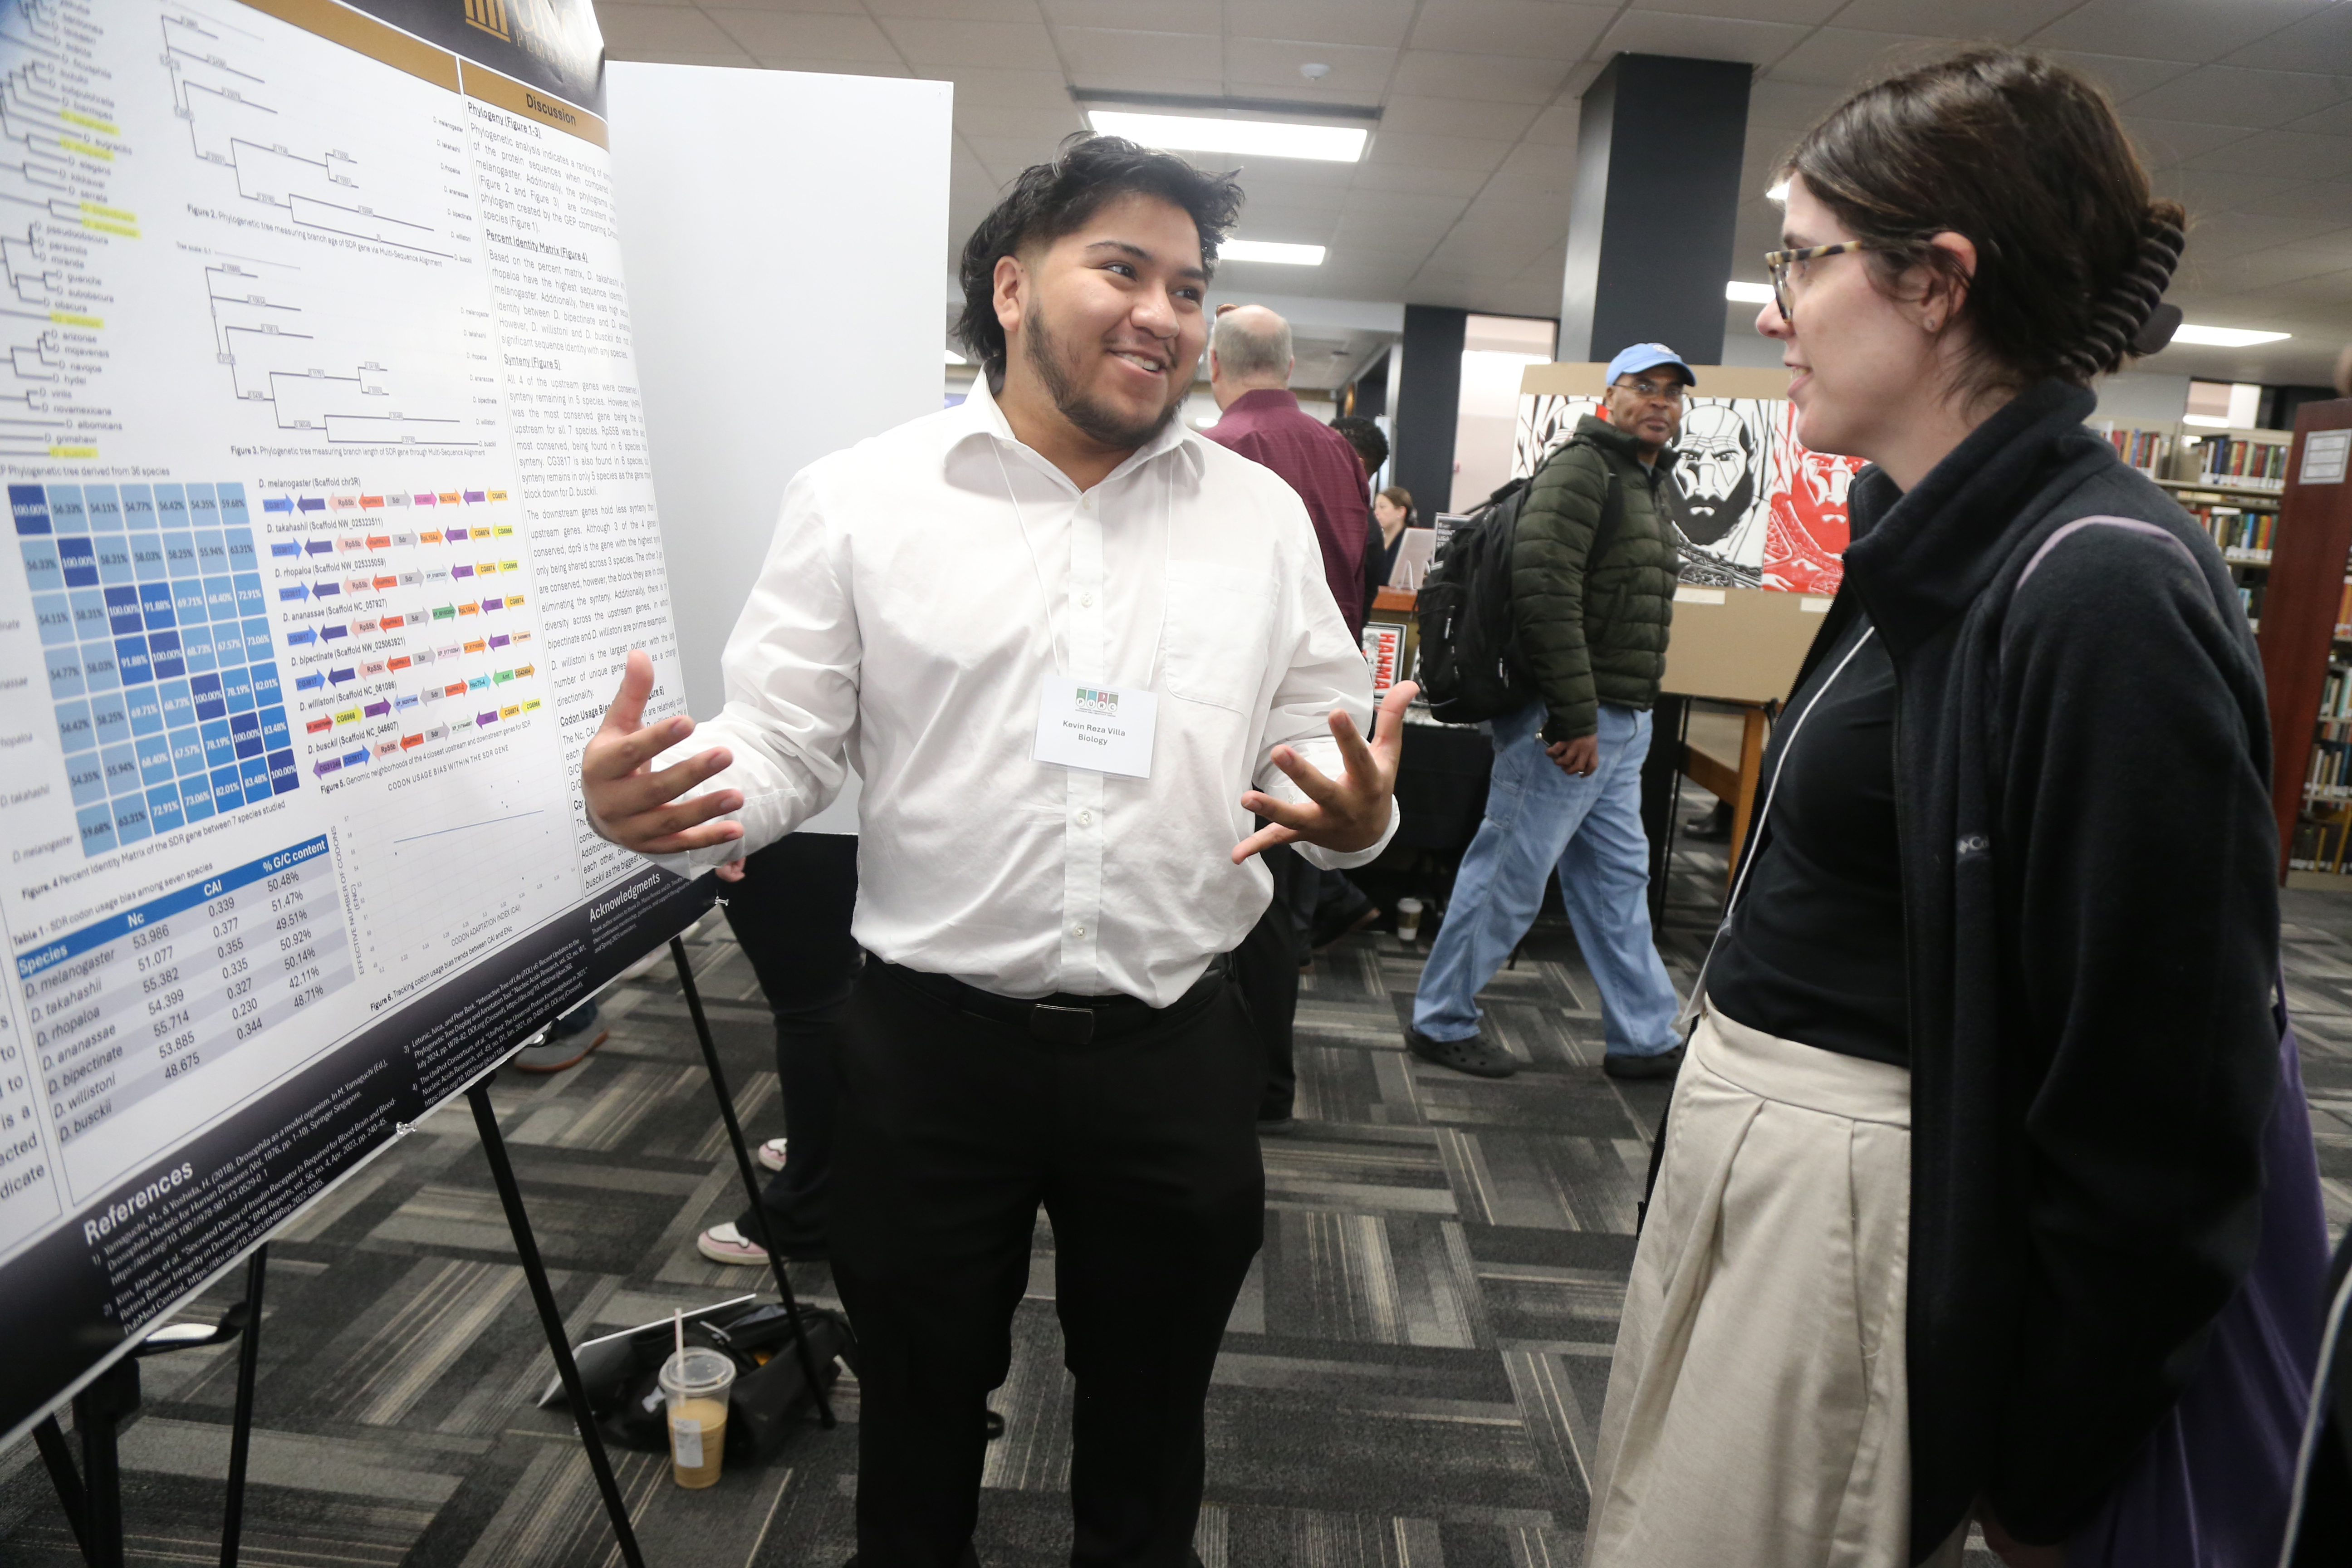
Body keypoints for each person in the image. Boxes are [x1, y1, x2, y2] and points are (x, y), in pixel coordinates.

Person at [578, 133, 1410, 1568]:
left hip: (1175, 1045)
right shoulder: (863, 498)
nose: (1166, 313)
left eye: (1192, 287)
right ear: (1015, 287)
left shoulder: (1258, 518)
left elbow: (1325, 746)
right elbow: (784, 740)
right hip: (929, 1053)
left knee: (1151, 1426)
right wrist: (682, 797)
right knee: (915, 1409)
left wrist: (1360, 816)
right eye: (1125, 269)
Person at [1584, 49, 2325, 1568]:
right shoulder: (1918, 546)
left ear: (1934, 282)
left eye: (1801, 257)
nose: (1770, 308)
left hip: (1859, 1227)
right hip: (1770, 1181)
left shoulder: (2100, 586)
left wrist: (2044, 1458)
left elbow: (2158, 1107)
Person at [1404, 345, 1689, 1082]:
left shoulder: (1643, 479)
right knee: (1507, 874)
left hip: (1620, 720)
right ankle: (1440, 1019)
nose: (1659, 402)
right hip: (1567, 722)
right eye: (1643, 388)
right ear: (1609, 397)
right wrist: (1571, 715)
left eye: (1672, 393)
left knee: (1615, 879)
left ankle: (1644, 1033)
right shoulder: (1581, 469)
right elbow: (1544, 594)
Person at [1203, 305, 1388, 1122]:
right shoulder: (1341, 454)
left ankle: (1230, 1077)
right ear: (1286, 365)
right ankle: (1271, 1082)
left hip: (1238, 703)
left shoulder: (1215, 452)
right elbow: (1367, 569)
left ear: (1215, 364)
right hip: (1327, 703)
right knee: (1287, 907)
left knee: (1237, 894)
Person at [694, 829, 858, 1266]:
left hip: (800, 817)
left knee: (811, 999)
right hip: (844, 807)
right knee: (842, 980)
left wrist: (734, 822)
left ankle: (808, 1212)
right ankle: (848, 1143)